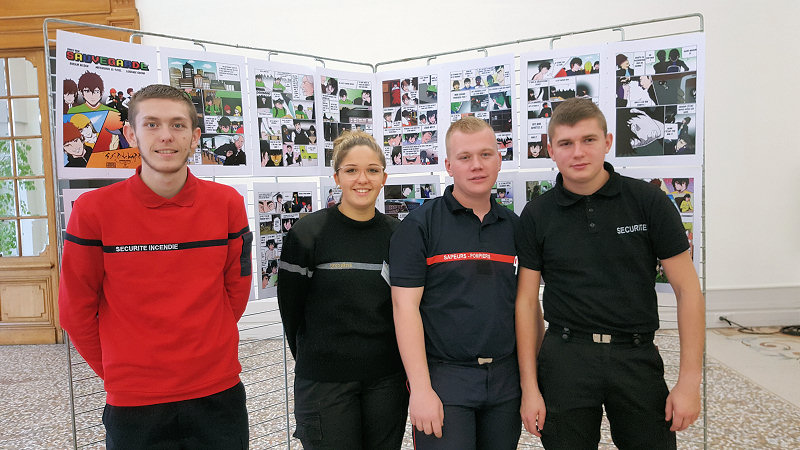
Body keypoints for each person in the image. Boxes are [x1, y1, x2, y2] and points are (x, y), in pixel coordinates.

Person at [58, 84, 252, 449]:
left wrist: (206, 349)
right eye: (151, 124)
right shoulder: (93, 211)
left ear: (195, 136)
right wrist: (119, 372)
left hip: (217, 393)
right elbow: (75, 310)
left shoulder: (227, 204)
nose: (166, 136)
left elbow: (236, 290)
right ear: (130, 134)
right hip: (134, 402)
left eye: (178, 125)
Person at [515, 98, 704, 449]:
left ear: (607, 141)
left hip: (635, 357)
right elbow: (526, 303)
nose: (578, 152)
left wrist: (690, 382)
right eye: (566, 143)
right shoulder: (537, 214)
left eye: (588, 140)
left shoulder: (649, 201)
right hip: (565, 358)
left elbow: (688, 290)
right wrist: (530, 388)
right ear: (551, 150)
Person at [390, 117, 521, 449]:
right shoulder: (419, 226)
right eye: (465, 157)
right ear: (448, 165)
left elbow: (526, 305)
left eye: (485, 154)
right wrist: (421, 389)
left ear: (499, 159)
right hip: (445, 379)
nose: (476, 165)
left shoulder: (515, 227)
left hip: (506, 381)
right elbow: (405, 309)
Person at [278, 131, 408, 449]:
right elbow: (291, 312)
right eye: (351, 170)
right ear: (337, 177)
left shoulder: (400, 236)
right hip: (324, 384)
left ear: (384, 178)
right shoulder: (307, 233)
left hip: (387, 381)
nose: (362, 179)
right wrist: (319, 360)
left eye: (372, 170)